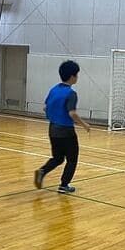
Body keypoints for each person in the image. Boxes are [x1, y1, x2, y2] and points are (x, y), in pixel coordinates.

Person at [33, 60, 91, 194]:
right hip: (66, 131)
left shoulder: (54, 90)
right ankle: (64, 185)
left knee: (58, 158)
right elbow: (72, 113)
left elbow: (45, 107)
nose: (77, 77)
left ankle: (42, 171)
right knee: (72, 159)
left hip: (53, 129)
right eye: (76, 75)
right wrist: (84, 125)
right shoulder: (71, 93)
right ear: (72, 76)